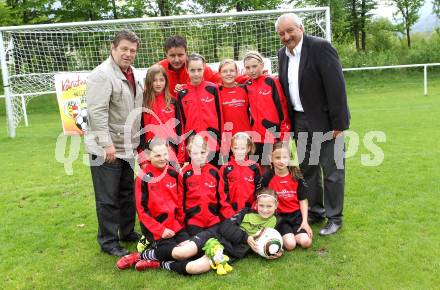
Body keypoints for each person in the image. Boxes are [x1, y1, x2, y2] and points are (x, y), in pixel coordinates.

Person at [275, 13, 350, 235]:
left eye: (290, 31)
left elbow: (336, 87)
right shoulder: (282, 54)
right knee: (308, 170)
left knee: (333, 171)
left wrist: (339, 124)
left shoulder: (320, 47)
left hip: (326, 122)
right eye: (281, 33)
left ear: (301, 28)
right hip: (300, 121)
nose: (286, 36)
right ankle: (316, 212)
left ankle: (335, 217)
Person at [116, 188, 282, 274]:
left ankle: (159, 264)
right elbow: (225, 227)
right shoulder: (246, 212)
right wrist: (246, 238)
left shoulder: (275, 222)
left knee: (194, 268)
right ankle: (139, 256)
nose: (265, 209)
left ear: (276, 206)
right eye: (262, 205)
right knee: (182, 253)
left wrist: (273, 251)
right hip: (215, 235)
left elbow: (272, 242)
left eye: (269, 206)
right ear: (256, 204)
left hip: (229, 252)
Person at [85, 30, 143, 256]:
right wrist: (105, 144)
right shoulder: (101, 75)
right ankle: (108, 242)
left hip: (127, 146)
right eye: (124, 49)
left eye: (132, 50)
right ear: (113, 48)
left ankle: (126, 232)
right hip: (107, 149)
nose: (128, 54)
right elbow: (97, 113)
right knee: (107, 198)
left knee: (127, 193)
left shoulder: (130, 73)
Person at [134, 137, 189, 261]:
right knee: (178, 255)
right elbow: (141, 211)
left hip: (175, 225)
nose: (163, 158)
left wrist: (180, 223)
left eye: (165, 154)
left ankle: (154, 254)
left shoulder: (173, 174)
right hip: (157, 229)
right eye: (158, 155)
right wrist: (161, 230)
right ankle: (146, 254)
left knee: (190, 250)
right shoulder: (143, 178)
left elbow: (180, 201)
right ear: (148, 156)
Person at [178, 134, 234, 236]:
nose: (199, 156)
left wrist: (231, 219)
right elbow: (180, 202)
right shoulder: (184, 173)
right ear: (189, 153)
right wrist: (181, 225)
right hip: (193, 222)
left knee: (223, 245)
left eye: (202, 152)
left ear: (208, 151)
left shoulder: (214, 172)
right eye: (195, 153)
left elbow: (223, 199)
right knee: (198, 247)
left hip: (213, 221)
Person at [243, 51, 291, 168]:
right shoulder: (247, 84)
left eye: (254, 66)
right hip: (256, 136)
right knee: (260, 168)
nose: (252, 70)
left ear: (262, 65)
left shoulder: (271, 82)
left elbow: (283, 109)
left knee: (279, 167)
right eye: (248, 67)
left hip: (273, 134)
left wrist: (284, 135)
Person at [262, 141, 312, 250]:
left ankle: (296, 232)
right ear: (271, 159)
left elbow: (303, 200)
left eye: (285, 157)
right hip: (280, 217)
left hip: (296, 216)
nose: (281, 161)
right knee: (290, 245)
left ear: (290, 158)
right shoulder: (267, 178)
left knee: (306, 242)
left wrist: (305, 221)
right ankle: (285, 234)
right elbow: (262, 200)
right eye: (277, 157)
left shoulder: (296, 176)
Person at [177, 53, 223, 166]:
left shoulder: (212, 89)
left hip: (213, 142)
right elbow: (182, 123)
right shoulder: (182, 93)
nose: (196, 74)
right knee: (196, 177)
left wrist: (222, 142)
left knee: (213, 176)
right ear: (187, 70)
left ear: (204, 68)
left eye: (199, 69)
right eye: (192, 70)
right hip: (193, 144)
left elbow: (220, 116)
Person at [137, 65, 184, 169]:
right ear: (148, 82)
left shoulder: (173, 102)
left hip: (170, 156)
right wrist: (143, 159)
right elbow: (138, 133)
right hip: (150, 155)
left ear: (166, 81)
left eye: (161, 80)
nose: (158, 83)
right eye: (154, 80)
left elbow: (180, 131)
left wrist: (179, 158)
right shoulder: (141, 102)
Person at [219, 132, 261, 213]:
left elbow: (258, 191)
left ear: (248, 148)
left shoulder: (254, 167)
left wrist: (253, 210)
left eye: (242, 148)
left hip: (250, 213)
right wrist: (229, 214)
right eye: (236, 148)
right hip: (230, 214)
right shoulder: (225, 168)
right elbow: (223, 194)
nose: (239, 151)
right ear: (231, 148)